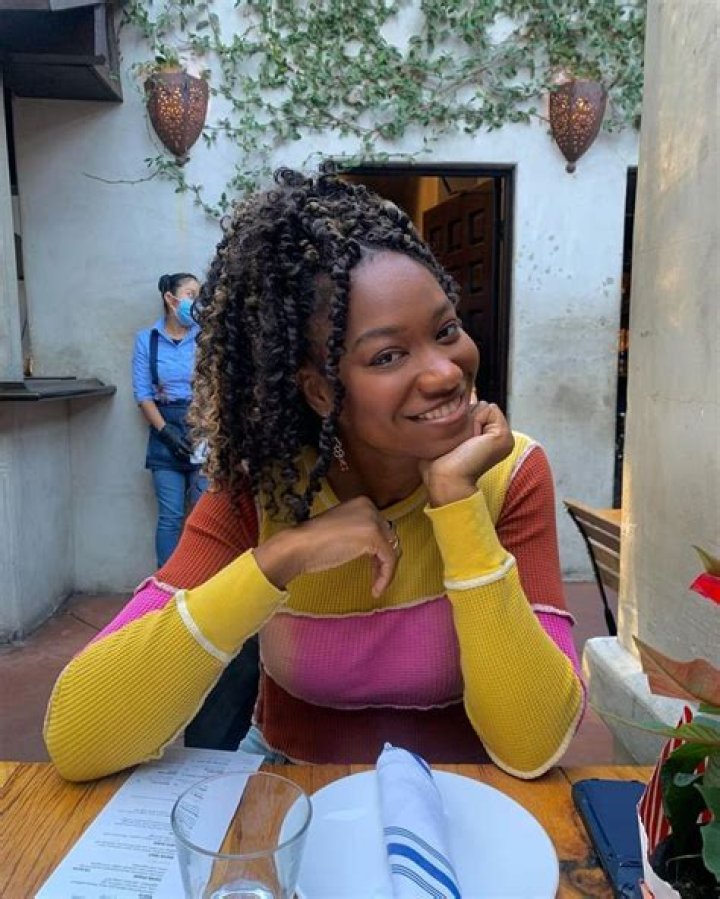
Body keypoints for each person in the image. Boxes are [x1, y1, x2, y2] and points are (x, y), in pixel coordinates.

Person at [45, 169, 585, 782]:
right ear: (321, 391)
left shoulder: (510, 474)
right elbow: (78, 739)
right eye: (388, 355)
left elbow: (532, 744)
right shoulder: (264, 489)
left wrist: (457, 505)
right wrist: (281, 558)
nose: (445, 373)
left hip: (464, 797)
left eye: (446, 331)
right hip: (290, 790)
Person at [132, 272, 207, 567]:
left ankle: (202, 582)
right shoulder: (147, 340)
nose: (197, 302)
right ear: (170, 299)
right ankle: (166, 584)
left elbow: (217, 384)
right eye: (191, 295)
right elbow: (143, 395)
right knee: (171, 516)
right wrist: (167, 434)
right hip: (164, 431)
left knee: (203, 515)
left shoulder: (205, 336)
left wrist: (206, 430)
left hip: (202, 427)